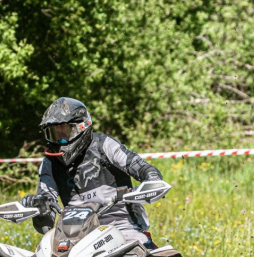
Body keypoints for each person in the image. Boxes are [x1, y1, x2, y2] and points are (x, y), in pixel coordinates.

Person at [21, 97, 164, 248]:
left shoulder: (104, 144)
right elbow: (46, 224)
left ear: (82, 127)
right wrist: (39, 207)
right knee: (45, 254)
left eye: (65, 131)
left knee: (138, 254)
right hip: (74, 234)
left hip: (122, 226)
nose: (61, 141)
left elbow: (139, 165)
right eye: (54, 134)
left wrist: (151, 179)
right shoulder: (49, 163)